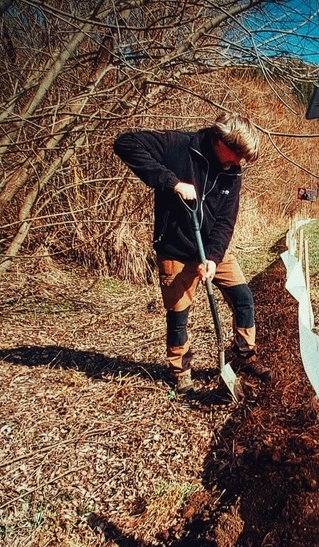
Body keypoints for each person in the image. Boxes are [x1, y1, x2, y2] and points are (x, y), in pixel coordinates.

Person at [113, 112, 270, 395]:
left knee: (243, 298)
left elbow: (226, 221)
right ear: (221, 140)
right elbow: (125, 143)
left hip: (211, 250)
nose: (239, 162)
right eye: (237, 154)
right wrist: (171, 182)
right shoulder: (179, 145)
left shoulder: (232, 171)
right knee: (179, 315)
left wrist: (213, 257)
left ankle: (244, 355)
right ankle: (180, 372)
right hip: (175, 249)